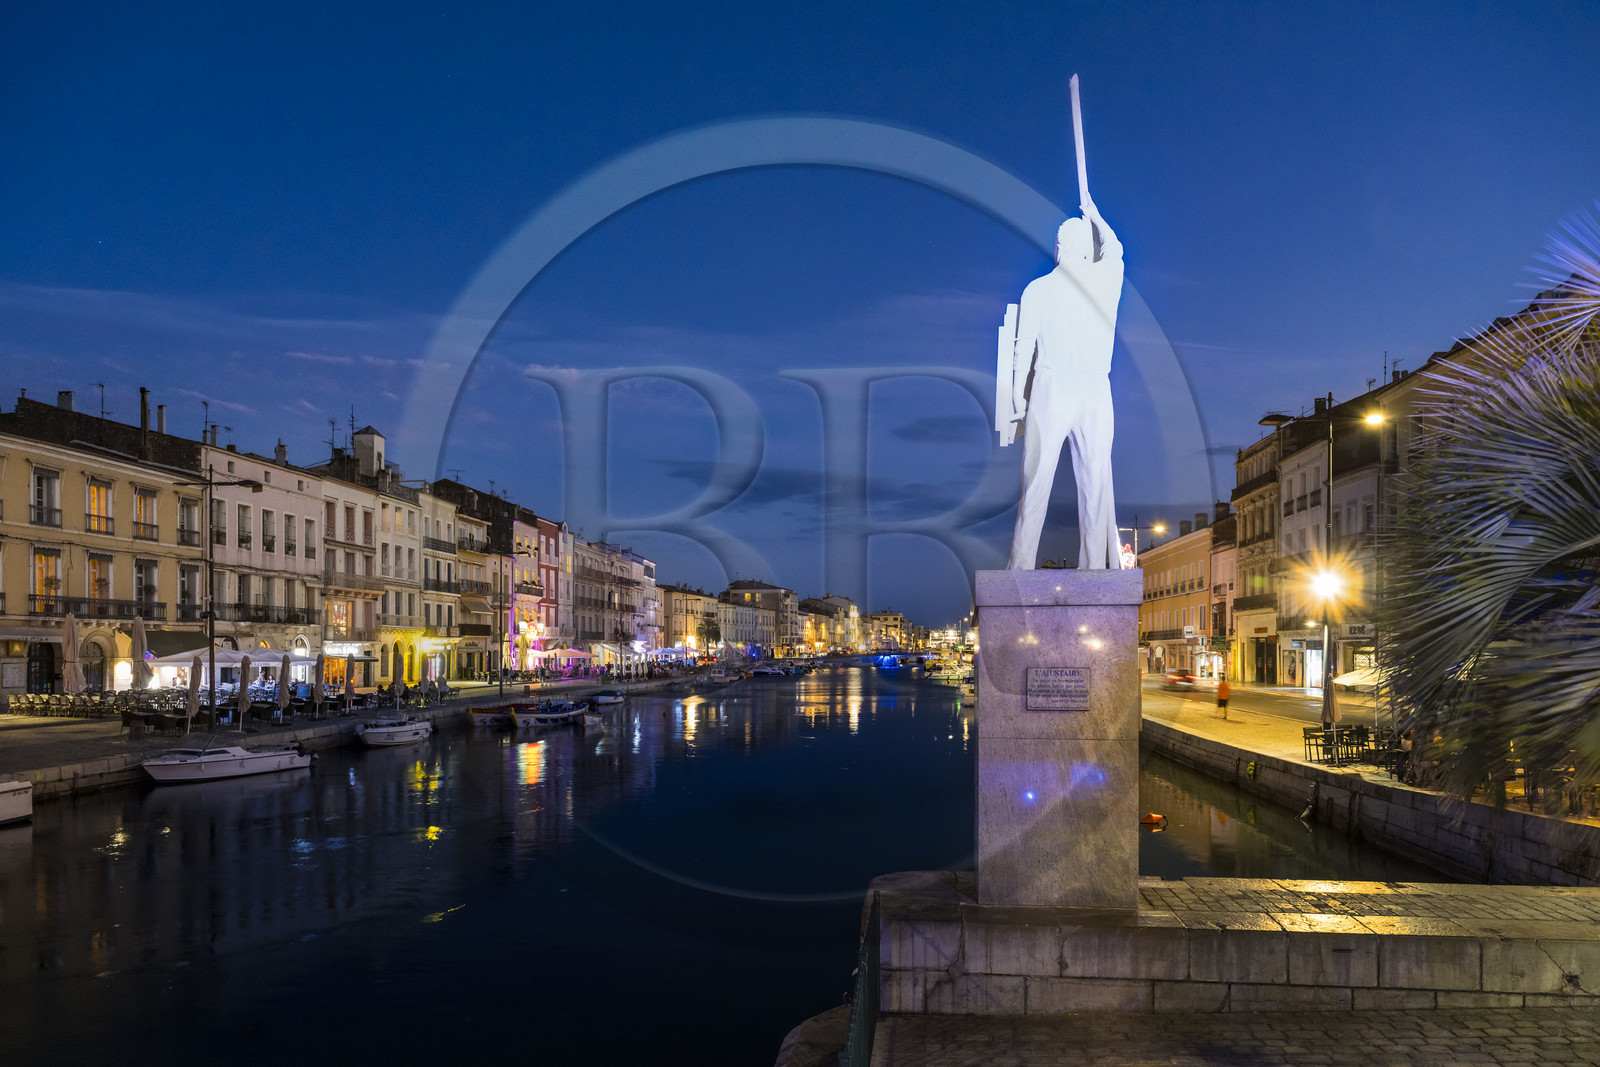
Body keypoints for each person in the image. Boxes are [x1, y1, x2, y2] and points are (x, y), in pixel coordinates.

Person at [1006, 194, 1125, 570]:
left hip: (1052, 388)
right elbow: (1116, 249)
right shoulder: (1107, 281)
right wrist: (1097, 216)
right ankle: (1094, 570)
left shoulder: (1037, 290)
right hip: (1095, 391)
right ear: (1087, 251)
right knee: (1095, 487)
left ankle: (1021, 566)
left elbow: (1023, 349)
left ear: (1059, 248)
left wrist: (1017, 397)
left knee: (1036, 484)